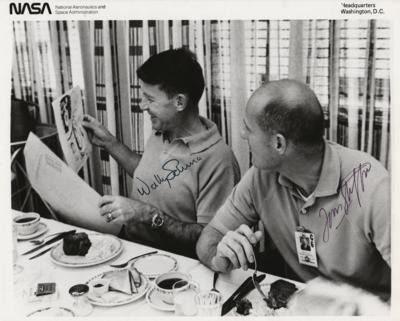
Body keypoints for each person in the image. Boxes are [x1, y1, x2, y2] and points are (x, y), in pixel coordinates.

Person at [196, 79, 390, 300]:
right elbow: (208, 239)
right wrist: (220, 257)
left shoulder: (375, 187)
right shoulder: (260, 177)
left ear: (279, 144)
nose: (241, 135)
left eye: (248, 128)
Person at [82, 48, 240, 257]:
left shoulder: (219, 160)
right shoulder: (163, 129)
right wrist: (110, 143)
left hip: (176, 266)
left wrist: (146, 215)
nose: (142, 106)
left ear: (180, 102)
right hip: (132, 249)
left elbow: (211, 238)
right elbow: (152, 177)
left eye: (150, 99)